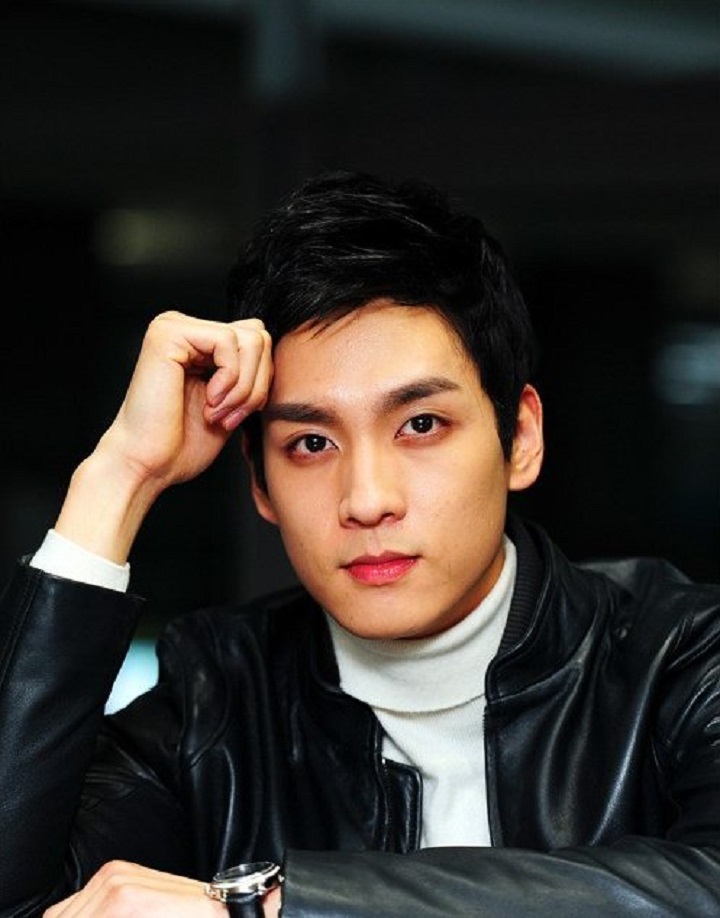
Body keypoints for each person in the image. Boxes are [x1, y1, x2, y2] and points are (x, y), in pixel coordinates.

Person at [1, 170, 718, 918]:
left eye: (421, 425)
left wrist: (269, 907)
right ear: (260, 483)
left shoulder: (679, 659)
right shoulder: (218, 700)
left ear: (521, 438)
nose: (368, 499)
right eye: (311, 443)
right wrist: (120, 475)